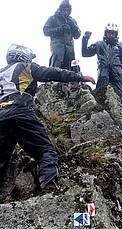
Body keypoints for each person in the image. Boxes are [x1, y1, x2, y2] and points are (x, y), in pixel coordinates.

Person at [0, 44, 95, 192]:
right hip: (21, 110)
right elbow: (51, 73)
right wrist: (79, 76)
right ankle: (49, 188)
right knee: (45, 150)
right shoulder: (26, 66)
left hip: (1, 117)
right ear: (23, 55)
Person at [82, 22, 122, 103]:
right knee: (101, 89)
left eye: (113, 33)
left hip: (117, 71)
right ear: (106, 33)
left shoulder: (120, 46)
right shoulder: (99, 44)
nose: (111, 35)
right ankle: (98, 106)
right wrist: (85, 39)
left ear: (116, 34)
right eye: (109, 33)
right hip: (103, 71)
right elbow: (85, 53)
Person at [43, 0, 81, 70]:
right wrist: (59, 29)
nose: (66, 12)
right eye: (64, 9)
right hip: (57, 51)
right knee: (55, 69)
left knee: (72, 70)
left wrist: (73, 26)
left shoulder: (72, 21)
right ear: (60, 9)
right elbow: (45, 31)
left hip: (70, 52)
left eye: (67, 10)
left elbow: (77, 35)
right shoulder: (53, 18)